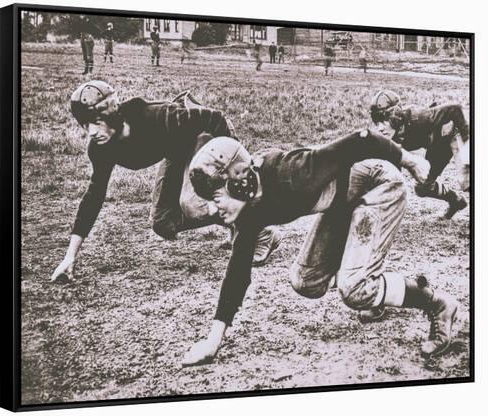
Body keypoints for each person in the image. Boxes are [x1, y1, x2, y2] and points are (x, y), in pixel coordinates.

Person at [181, 130, 459, 366]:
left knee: (354, 288)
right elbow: (238, 272)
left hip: (379, 186)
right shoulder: (249, 209)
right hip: (343, 200)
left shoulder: (292, 172)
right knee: (306, 282)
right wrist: (212, 341)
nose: (212, 208)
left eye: (216, 196)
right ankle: (373, 291)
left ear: (238, 180)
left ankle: (436, 303)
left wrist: (409, 160)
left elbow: (361, 139)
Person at [50, 80, 281, 283]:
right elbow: (94, 195)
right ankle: (236, 224)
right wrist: (70, 256)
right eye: (85, 125)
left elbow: (214, 119)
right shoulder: (101, 148)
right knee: (163, 222)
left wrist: (234, 170)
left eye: (97, 122)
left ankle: (259, 229)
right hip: (177, 149)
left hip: (207, 135)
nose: (91, 132)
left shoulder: (159, 116)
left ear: (111, 115)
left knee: (193, 204)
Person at [370, 90, 469, 219]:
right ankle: (456, 201)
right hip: (438, 145)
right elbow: (395, 174)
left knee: (467, 180)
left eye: (384, 121)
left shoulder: (418, 117)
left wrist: (468, 144)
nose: (380, 128)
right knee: (423, 187)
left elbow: (455, 109)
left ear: (395, 117)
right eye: (376, 123)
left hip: (455, 129)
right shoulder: (390, 138)